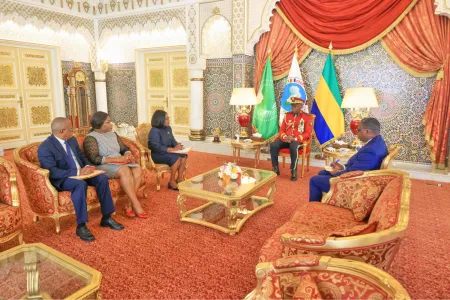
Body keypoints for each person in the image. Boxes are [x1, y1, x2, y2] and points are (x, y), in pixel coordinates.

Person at [38, 117, 124, 242]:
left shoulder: (71, 140)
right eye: (71, 129)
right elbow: (53, 172)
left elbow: (81, 156)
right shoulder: (45, 147)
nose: (73, 131)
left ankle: (106, 217)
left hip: (82, 173)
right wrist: (78, 172)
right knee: (80, 185)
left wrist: (88, 166)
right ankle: (81, 226)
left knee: (101, 178)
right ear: (62, 131)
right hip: (64, 178)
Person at [83, 112, 148, 219]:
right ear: (99, 124)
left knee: (137, 168)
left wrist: (128, 154)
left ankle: (129, 204)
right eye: (108, 122)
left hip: (120, 162)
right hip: (103, 165)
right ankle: (136, 204)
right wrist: (117, 159)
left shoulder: (113, 134)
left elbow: (124, 149)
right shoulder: (90, 138)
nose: (111, 124)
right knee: (125, 170)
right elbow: (95, 159)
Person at [309, 117, 388, 202]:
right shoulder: (377, 142)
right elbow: (359, 165)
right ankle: (329, 200)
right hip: (360, 175)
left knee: (314, 180)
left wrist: (338, 173)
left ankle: (314, 206)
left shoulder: (371, 150)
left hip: (355, 184)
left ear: (367, 131)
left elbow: (355, 173)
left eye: (358, 130)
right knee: (322, 172)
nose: (357, 133)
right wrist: (342, 167)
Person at [270, 97, 313, 181]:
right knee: (273, 145)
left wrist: (296, 138)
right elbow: (282, 130)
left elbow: (308, 133)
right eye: (292, 105)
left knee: (293, 147)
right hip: (287, 139)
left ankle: (293, 170)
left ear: (300, 106)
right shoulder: (287, 116)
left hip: (298, 140)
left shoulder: (306, 117)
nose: (293, 107)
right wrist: (285, 137)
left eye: (295, 106)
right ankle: (275, 167)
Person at [148, 110, 187, 191]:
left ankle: (179, 179)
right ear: (160, 119)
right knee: (175, 158)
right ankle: (171, 181)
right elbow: (157, 147)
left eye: (168, 118)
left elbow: (172, 140)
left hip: (168, 152)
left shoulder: (168, 128)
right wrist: (172, 149)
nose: (169, 120)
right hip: (157, 154)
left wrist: (177, 146)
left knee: (183, 155)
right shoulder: (154, 131)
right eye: (166, 118)